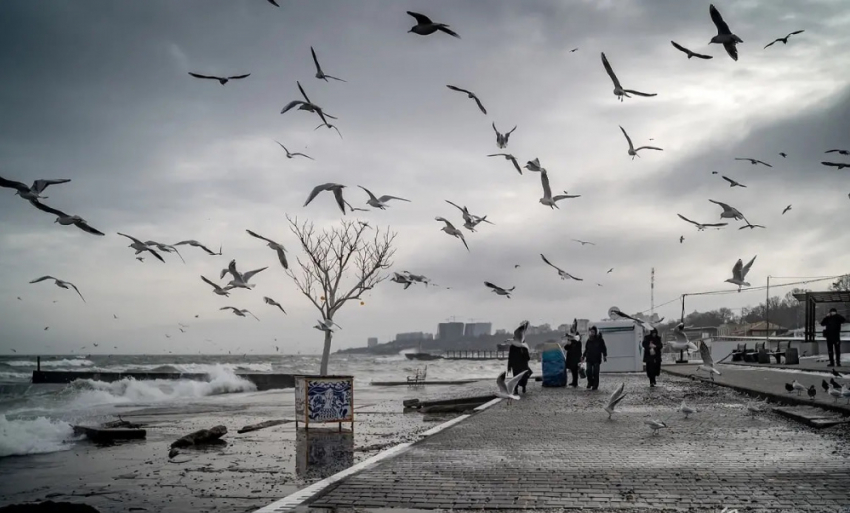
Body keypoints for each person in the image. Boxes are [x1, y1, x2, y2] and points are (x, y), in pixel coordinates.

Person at [582, 326, 607, 390]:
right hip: (589, 358)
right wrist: (583, 356)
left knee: (595, 373)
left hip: (596, 358)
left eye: (593, 332)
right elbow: (586, 349)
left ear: (596, 332)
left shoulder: (600, 340)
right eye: (591, 332)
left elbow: (603, 348)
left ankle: (595, 385)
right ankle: (590, 382)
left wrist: (604, 355)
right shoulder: (589, 340)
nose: (592, 333)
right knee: (588, 371)